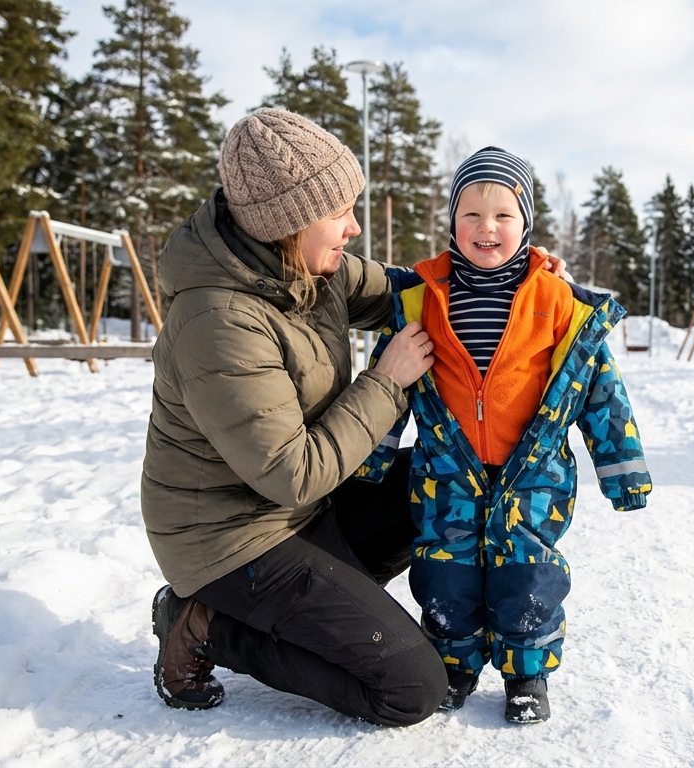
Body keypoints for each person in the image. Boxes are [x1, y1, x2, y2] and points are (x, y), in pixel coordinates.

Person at [140, 108, 448, 726]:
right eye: (340, 214)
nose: (354, 228)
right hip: (231, 540)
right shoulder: (217, 320)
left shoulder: (307, 268)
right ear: (288, 222)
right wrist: (386, 381)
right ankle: (202, 623)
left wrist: (508, 272)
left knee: (440, 485)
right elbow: (291, 474)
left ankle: (320, 606)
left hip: (300, 514)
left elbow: (404, 289)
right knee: (411, 688)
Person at [355, 147, 652, 724]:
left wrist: (624, 469)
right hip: (446, 469)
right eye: (470, 213)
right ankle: (454, 664)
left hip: (534, 471)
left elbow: (598, 388)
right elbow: (387, 377)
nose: (486, 227)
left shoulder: (558, 300)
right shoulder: (420, 296)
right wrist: (374, 456)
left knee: (528, 572)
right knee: (446, 571)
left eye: (502, 215)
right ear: (451, 222)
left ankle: (527, 674)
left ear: (526, 224)